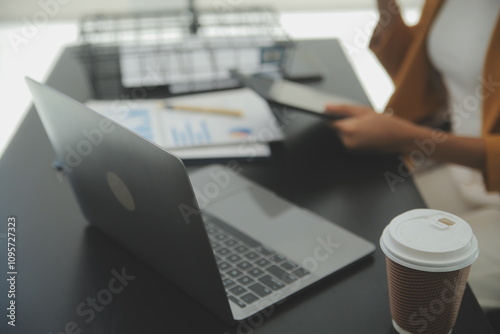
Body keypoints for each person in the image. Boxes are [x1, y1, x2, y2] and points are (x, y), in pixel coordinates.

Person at [325, 0, 500, 311]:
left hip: (477, 176)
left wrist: (409, 137)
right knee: (358, 234)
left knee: (408, 291)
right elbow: (417, 73)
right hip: (461, 170)